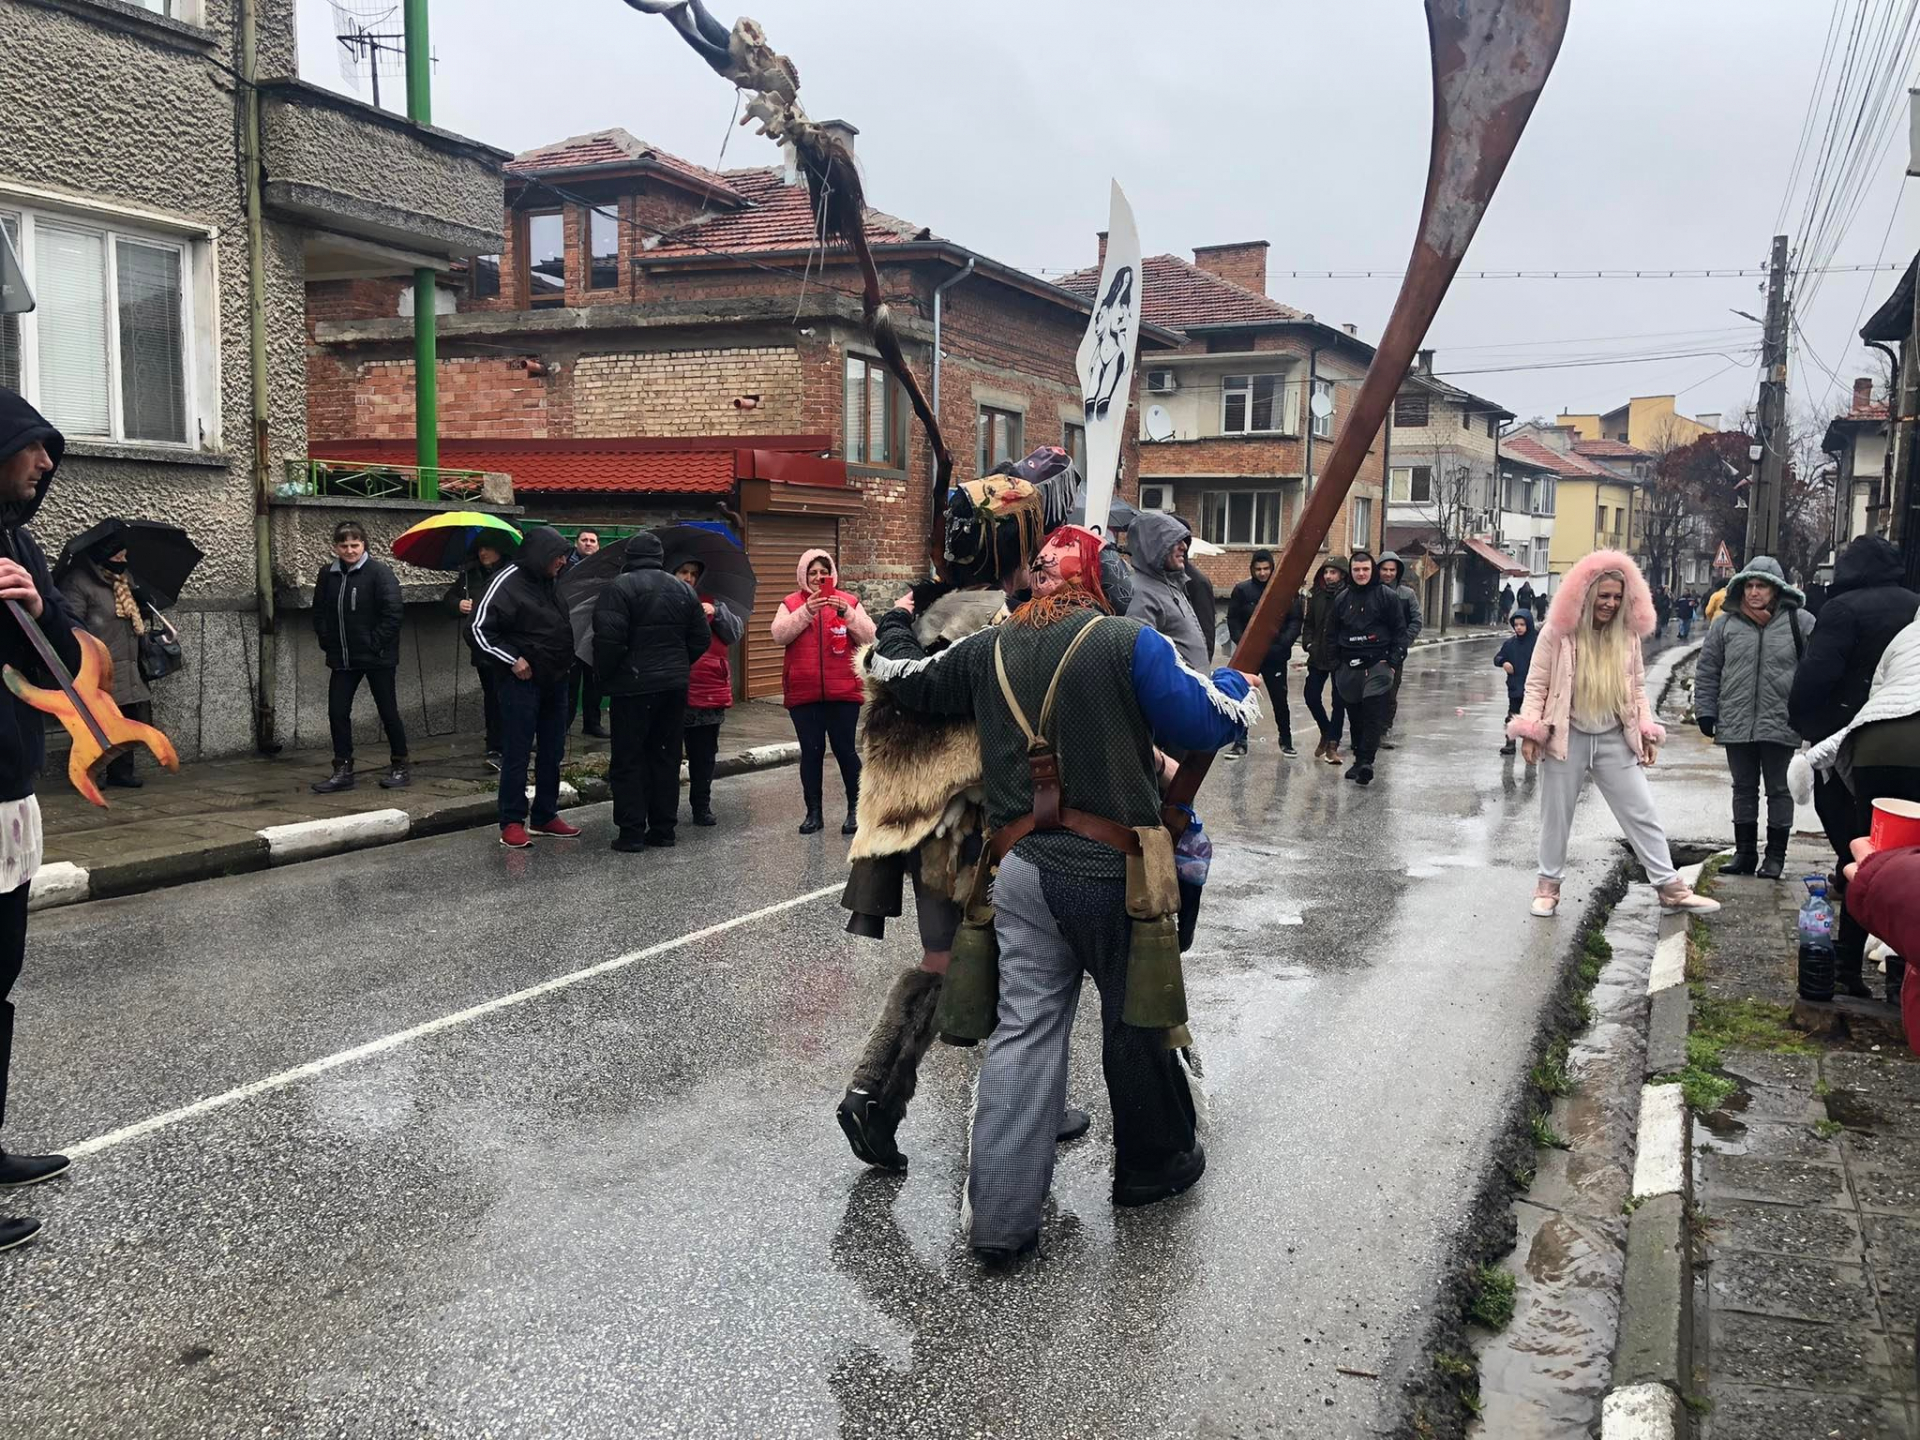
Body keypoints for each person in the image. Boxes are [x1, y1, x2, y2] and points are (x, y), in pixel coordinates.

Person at [865, 522, 1259, 1264]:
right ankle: (1150, 1172)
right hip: (1113, 873)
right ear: (1099, 584)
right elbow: (1204, 721)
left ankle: (1000, 1225)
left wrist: (897, 613)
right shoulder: (1127, 643)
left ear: (1040, 580)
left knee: (1023, 1034)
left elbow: (901, 675)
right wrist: (1237, 683)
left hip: (1018, 872)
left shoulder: (988, 648)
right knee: (1135, 1018)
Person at [837, 446, 1091, 1172]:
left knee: (950, 960)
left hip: (924, 827)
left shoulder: (924, 610)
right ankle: (928, 1101)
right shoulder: (1001, 622)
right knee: (1028, 967)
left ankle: (874, 1093)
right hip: (979, 826)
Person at [1507, 550, 1719, 918]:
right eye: (1603, 595)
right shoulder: (1558, 633)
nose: (1610, 603)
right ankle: (1547, 887)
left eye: (1617, 597)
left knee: (1641, 810)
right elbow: (1537, 684)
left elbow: (1636, 688)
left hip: (1613, 737)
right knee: (1556, 816)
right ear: (1586, 594)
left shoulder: (1627, 636)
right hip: (1566, 736)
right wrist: (1530, 731)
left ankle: (1669, 888)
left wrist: (1646, 732)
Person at [0, 393, 86, 1252]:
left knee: (1, 976)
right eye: (32, 448)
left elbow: (60, 660)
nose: (46, 464)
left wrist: (35, 604)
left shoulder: (19, 540)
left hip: (9, 792)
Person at [1790, 614, 1920, 998]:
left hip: (1874, 742)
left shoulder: (1905, 633)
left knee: (1871, 856)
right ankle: (1901, 978)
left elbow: (1877, 690)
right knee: (1916, 865)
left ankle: (1846, 966)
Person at [1787, 534, 1919, 873]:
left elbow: (1816, 673)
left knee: (1840, 809)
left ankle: (1854, 877)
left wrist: (1802, 721)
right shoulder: (1914, 605)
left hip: (1848, 728)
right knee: (1901, 816)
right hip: (1906, 718)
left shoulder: (1841, 609)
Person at [1693, 557, 1816, 880]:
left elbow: (1814, 671)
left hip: (1781, 720)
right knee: (1743, 788)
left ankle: (1775, 857)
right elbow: (1708, 670)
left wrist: (1809, 715)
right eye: (1749, 585)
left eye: (1761, 586)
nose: (1754, 592)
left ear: (1776, 590)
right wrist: (1705, 710)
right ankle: (1745, 853)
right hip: (1737, 719)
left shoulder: (1800, 623)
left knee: (1779, 789)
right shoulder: (1725, 624)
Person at [591, 530, 710, 852]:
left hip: (633, 688)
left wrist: (606, 678)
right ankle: (663, 829)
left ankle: (631, 832)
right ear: (660, 559)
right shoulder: (683, 591)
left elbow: (608, 641)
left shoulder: (618, 589)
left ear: (629, 557)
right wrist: (678, 664)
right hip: (673, 687)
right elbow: (701, 638)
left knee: (629, 759)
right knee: (666, 757)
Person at [472, 526, 582, 849]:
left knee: (552, 749)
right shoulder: (506, 582)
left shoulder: (552, 581)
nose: (563, 561)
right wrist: (512, 659)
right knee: (517, 752)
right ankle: (511, 820)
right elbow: (479, 629)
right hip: (521, 681)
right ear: (540, 555)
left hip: (556, 678)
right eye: (558, 556)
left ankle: (546, 814)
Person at [772, 549, 874, 835]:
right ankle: (813, 813)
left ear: (832, 575)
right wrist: (807, 611)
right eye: (813, 573)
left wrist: (848, 613)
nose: (819, 578)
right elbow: (779, 634)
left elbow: (870, 637)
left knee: (845, 750)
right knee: (812, 753)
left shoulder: (849, 601)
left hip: (843, 692)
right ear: (804, 576)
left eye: (823, 572)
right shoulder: (791, 603)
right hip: (804, 694)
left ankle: (856, 810)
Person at [57, 522, 162, 788]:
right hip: (97, 665)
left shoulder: (125, 580)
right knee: (94, 721)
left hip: (127, 664)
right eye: (118, 557)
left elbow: (138, 617)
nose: (123, 561)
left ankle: (121, 772)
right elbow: (70, 623)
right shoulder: (79, 582)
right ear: (103, 555)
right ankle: (89, 771)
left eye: (125, 557)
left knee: (126, 718)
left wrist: (142, 601)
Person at [311, 521, 409, 794]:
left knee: (387, 710)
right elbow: (319, 611)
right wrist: (326, 639)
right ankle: (342, 768)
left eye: (355, 545)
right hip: (342, 656)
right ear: (336, 547)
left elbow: (393, 613)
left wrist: (374, 643)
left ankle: (400, 764)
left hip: (378, 656)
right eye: (344, 545)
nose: (350, 550)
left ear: (364, 545)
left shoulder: (379, 573)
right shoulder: (327, 574)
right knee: (337, 712)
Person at [674, 555, 744, 828]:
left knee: (703, 756)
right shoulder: (667, 600)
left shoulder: (714, 603)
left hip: (709, 690)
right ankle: (665, 808)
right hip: (677, 688)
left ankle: (701, 806)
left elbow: (733, 633)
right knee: (668, 755)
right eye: (683, 572)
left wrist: (717, 614)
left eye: (693, 573)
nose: (689, 578)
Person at [1329, 549, 1407, 786]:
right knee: (1355, 717)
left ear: (1372, 571)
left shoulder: (1387, 596)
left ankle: (1366, 762)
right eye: (1356, 570)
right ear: (1350, 572)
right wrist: (1335, 663)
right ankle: (1358, 758)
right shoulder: (1342, 598)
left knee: (1373, 714)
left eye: (1365, 569)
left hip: (1378, 664)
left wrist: (1393, 661)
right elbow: (1331, 633)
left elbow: (1399, 632)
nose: (1361, 574)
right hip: (1348, 666)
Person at [442, 540, 513, 770]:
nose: (483, 552)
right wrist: (458, 604)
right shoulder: (469, 575)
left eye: (488, 547)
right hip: (482, 647)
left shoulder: (511, 573)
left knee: (508, 698)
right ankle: (495, 745)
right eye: (480, 549)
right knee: (492, 698)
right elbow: (449, 599)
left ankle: (508, 742)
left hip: (507, 645)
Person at [1224, 548, 1302, 758]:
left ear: (1272, 569)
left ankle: (1286, 740)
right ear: (1252, 569)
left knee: (1279, 699)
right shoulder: (1242, 590)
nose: (1262, 573)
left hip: (1276, 655)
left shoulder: (1284, 590)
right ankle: (1240, 742)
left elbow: (1295, 620)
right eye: (1258, 569)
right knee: (1243, 697)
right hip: (1249, 655)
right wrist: (1242, 642)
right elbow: (1233, 618)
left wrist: (1283, 644)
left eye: (1266, 568)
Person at [1124, 510, 1209, 672]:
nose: (1184, 547)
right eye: (1175, 541)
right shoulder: (1141, 593)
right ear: (1153, 545)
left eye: (1184, 541)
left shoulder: (1171, 584)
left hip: (1190, 691)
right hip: (1175, 694)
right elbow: (1140, 659)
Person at [1301, 555, 1350, 765]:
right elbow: (1309, 623)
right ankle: (1326, 730)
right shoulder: (1317, 595)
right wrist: (1309, 644)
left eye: (1333, 572)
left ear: (1342, 574)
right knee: (1311, 696)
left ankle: (1332, 745)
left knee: (1339, 702)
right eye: (1326, 572)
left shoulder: (1348, 595)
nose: (1329, 576)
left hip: (1339, 656)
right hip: (1318, 654)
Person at [1374, 550, 1423, 747]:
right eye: (1384, 569)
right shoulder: (1371, 593)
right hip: (1372, 651)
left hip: (1395, 652)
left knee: (1390, 692)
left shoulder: (1406, 594)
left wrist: (1403, 642)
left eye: (1391, 570)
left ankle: (1383, 729)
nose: (1388, 574)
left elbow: (1416, 621)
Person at [565, 529, 607, 739]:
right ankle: (564, 724)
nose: (588, 544)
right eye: (584, 540)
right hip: (571, 632)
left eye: (592, 541)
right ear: (576, 543)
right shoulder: (566, 567)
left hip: (595, 632)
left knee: (594, 683)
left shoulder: (605, 569)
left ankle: (592, 723)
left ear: (598, 545)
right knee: (570, 684)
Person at [1494, 609, 1537, 756]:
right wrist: (1504, 662)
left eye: (1522, 624)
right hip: (1515, 686)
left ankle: (1531, 743)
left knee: (1532, 717)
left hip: (1533, 687)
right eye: (1516, 624)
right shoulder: (1510, 644)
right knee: (1512, 715)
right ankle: (1510, 743)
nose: (1518, 627)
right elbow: (1498, 658)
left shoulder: (1538, 643)